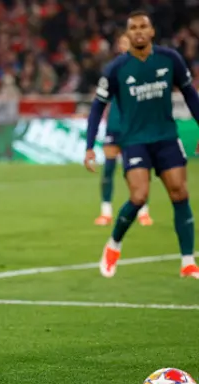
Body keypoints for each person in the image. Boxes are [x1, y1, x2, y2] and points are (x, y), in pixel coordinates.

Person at [85, 11, 199, 279]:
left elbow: (190, 95)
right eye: (132, 28)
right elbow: (96, 107)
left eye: (142, 27)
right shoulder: (116, 69)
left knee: (180, 193)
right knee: (138, 196)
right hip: (135, 141)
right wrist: (89, 145)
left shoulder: (170, 59)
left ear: (151, 32)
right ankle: (113, 245)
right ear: (127, 35)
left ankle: (187, 261)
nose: (138, 31)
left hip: (166, 138)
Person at [94, 33, 153, 227]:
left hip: (135, 128)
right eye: (121, 43)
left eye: (125, 42)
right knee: (108, 169)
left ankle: (143, 211)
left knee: (137, 171)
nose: (123, 46)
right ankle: (106, 211)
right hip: (114, 126)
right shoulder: (112, 70)